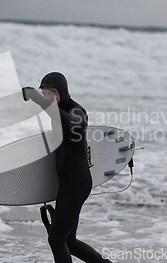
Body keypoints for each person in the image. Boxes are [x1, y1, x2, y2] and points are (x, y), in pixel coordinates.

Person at [23, 72, 112, 263]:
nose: (48, 97)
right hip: (66, 182)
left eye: (52, 92)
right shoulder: (57, 111)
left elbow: (69, 123)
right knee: (69, 242)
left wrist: (39, 100)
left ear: (62, 91)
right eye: (44, 93)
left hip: (76, 183)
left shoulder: (77, 112)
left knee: (56, 239)